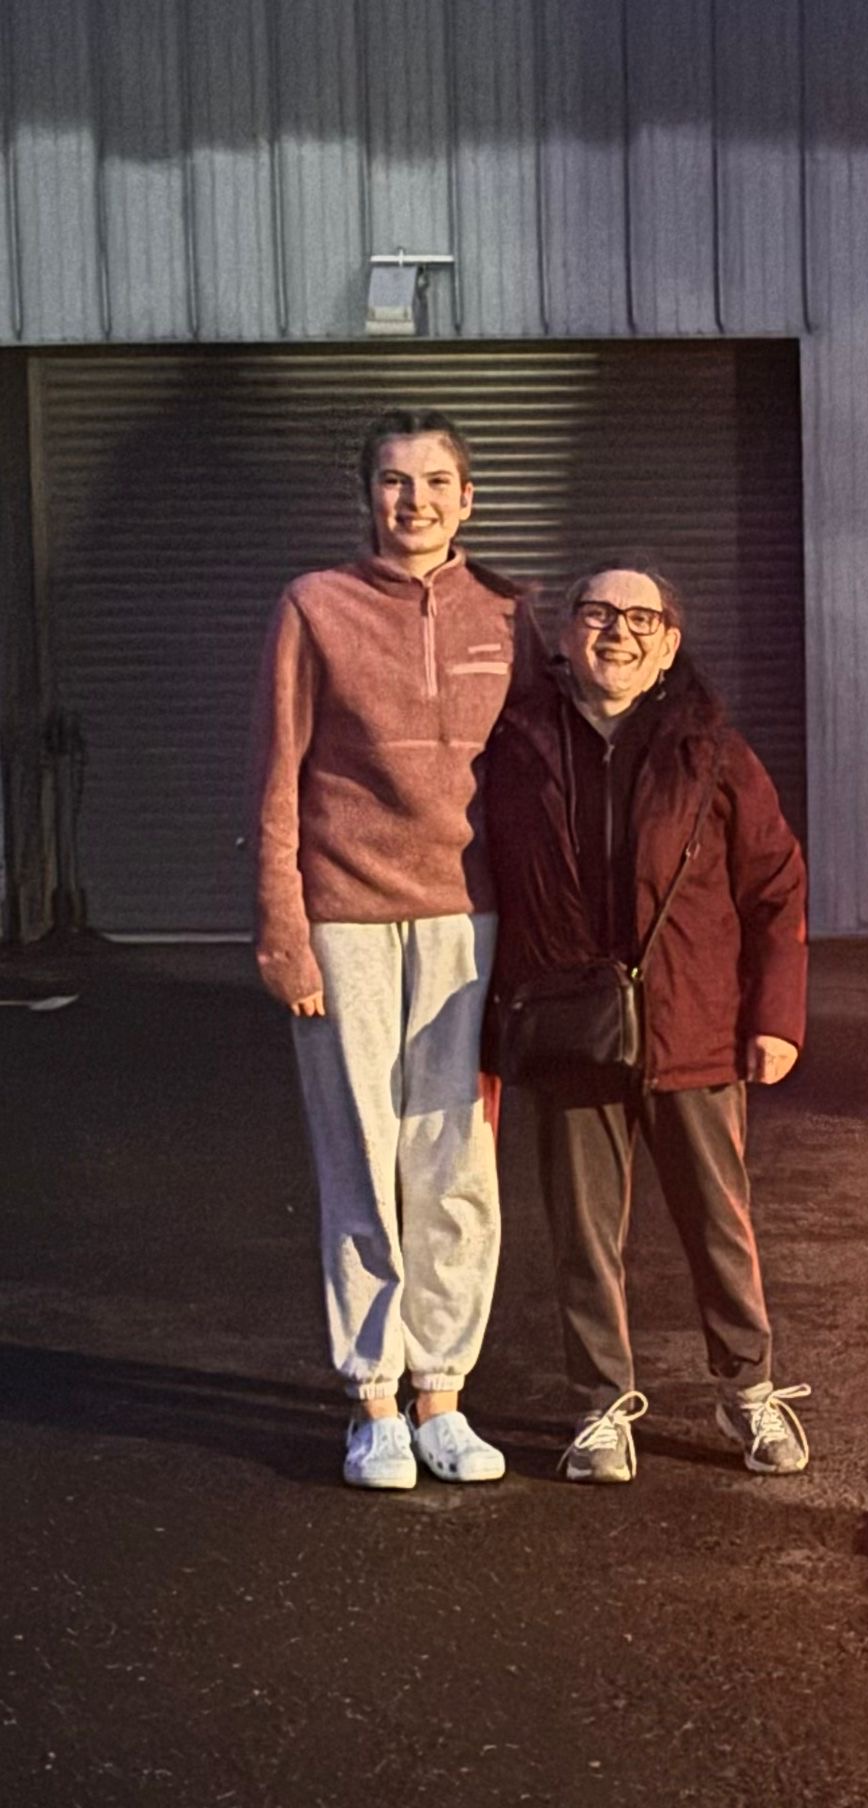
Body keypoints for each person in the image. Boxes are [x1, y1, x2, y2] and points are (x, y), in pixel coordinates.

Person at [484, 564, 810, 1484]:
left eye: (641, 618)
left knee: (717, 1223)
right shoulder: (515, 746)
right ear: (566, 636)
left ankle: (749, 1391)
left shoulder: (712, 754)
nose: (616, 632)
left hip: (693, 1027)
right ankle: (600, 1408)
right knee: (584, 1235)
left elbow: (777, 887)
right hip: (567, 1031)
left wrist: (776, 1016)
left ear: (668, 646)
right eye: (597, 613)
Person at [250, 409, 525, 1490]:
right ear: (365, 494)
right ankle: (374, 1401)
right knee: (360, 1158)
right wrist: (283, 929)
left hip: (472, 923)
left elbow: (535, 781)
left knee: (455, 1166)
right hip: (345, 919)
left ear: (468, 499)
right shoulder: (315, 607)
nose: (414, 502)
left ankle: (444, 1392)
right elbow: (278, 774)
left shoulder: (510, 614)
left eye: (435, 483)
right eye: (394, 483)